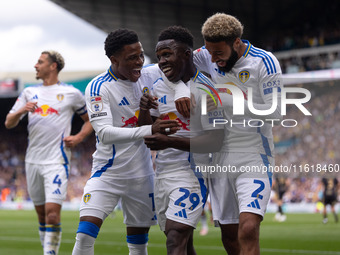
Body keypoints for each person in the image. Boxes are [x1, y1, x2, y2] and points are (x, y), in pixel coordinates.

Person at [71, 28, 180, 255]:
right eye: (132, 58)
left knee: (139, 246)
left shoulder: (149, 75)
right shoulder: (98, 87)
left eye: (141, 55)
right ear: (114, 59)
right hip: (107, 174)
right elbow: (105, 133)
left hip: (142, 177)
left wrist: (183, 94)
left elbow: (183, 64)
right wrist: (150, 128)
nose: (139, 62)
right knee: (83, 238)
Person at [193, 13, 283, 255]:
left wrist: (227, 100)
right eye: (209, 53)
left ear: (236, 42)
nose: (213, 59)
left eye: (218, 53)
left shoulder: (264, 61)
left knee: (249, 228)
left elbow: (276, 112)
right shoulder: (206, 55)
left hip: (254, 154)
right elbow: (174, 61)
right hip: (219, 157)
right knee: (230, 237)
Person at [140, 25, 223, 255]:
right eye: (159, 57)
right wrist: (144, 110)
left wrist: (170, 142)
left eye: (167, 54)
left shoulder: (207, 91)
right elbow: (146, 133)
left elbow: (216, 141)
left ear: (187, 54)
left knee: (175, 239)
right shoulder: (156, 87)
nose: (162, 61)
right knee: (184, 244)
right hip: (163, 173)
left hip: (193, 174)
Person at [4, 50, 93, 255]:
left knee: (53, 215)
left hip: (57, 161)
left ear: (53, 66)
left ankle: (49, 253)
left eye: (40, 62)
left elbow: (90, 120)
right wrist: (21, 110)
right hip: (32, 162)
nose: (36, 66)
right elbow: (9, 122)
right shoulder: (28, 92)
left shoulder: (71, 93)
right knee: (42, 216)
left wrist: (79, 138)